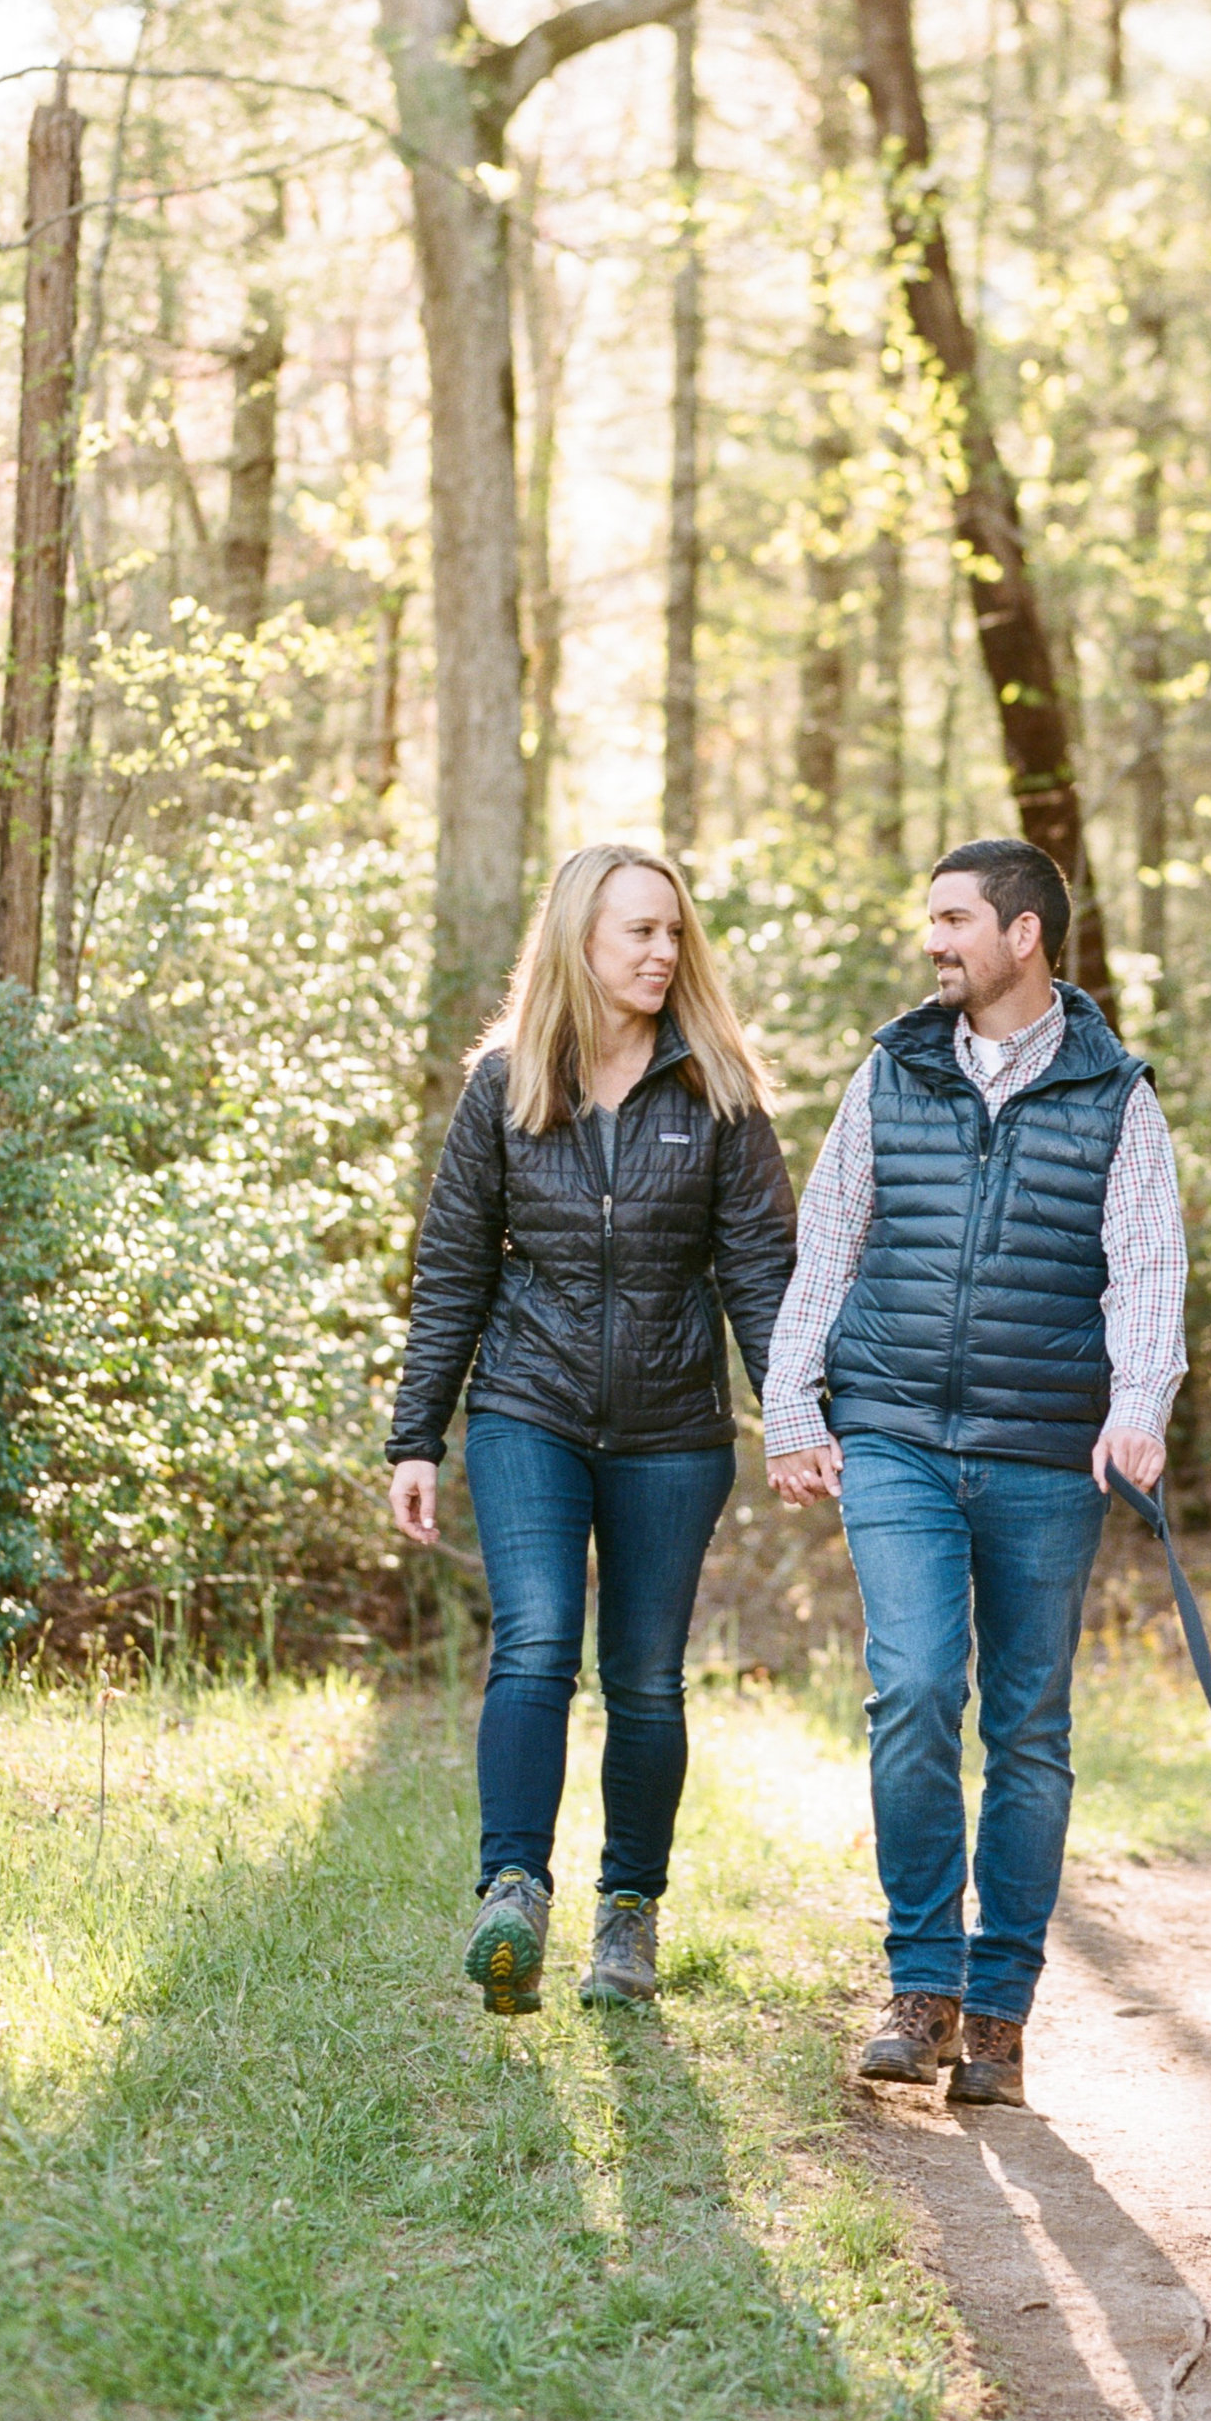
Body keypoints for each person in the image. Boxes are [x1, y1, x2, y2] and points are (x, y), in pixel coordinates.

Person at [762, 836, 1187, 2107]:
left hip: (1046, 1454)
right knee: (910, 1689)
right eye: (931, 920)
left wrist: (1138, 1405)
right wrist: (791, 1401)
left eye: (954, 920)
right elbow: (827, 1236)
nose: (933, 942)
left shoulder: (1117, 1093)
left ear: (1023, 937)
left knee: (1029, 1731)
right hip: (891, 1432)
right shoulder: (893, 1069)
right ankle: (920, 1985)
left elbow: (1148, 1266)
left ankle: (996, 2013)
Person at [388, 843, 795, 2016]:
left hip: (674, 1430)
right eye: (639, 933)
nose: (663, 954)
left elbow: (763, 1271)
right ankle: (512, 1892)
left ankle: (629, 1917)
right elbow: (452, 1270)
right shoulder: (507, 1084)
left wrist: (796, 1420)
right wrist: (416, 1437)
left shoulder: (717, 1089)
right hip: (529, 1411)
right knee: (535, 1645)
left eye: (674, 934)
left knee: (648, 1682)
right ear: (578, 939)